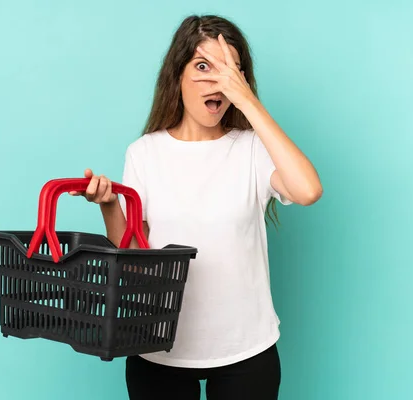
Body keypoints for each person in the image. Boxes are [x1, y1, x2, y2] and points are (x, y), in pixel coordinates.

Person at [70, 14, 323, 400]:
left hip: (247, 350)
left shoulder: (252, 148)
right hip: (157, 347)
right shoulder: (145, 153)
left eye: (231, 71)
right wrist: (108, 206)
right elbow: (136, 261)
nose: (218, 81)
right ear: (178, 75)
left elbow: (307, 191)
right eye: (204, 66)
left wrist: (248, 100)